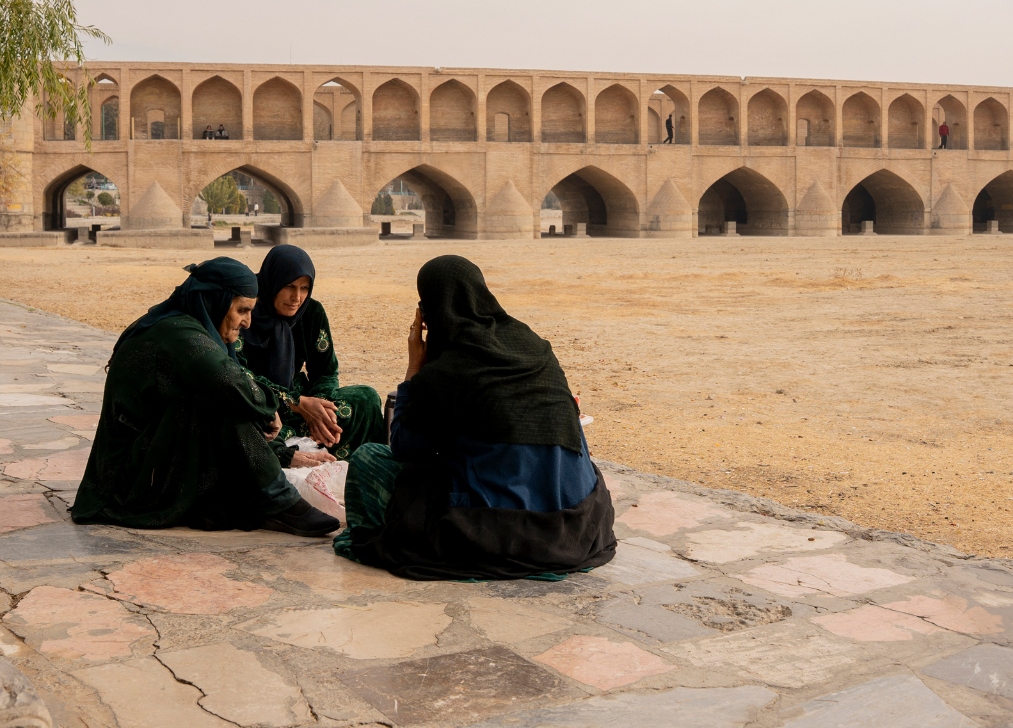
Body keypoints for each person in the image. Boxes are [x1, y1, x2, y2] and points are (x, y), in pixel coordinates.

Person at [334, 255, 616, 580]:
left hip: (502, 532)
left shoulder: (445, 373)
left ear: (429, 314)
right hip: (581, 526)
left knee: (371, 458)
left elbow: (403, 447)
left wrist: (414, 368)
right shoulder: (535, 348)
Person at [71, 257, 339, 536]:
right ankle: (278, 502)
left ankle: (266, 499)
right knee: (222, 403)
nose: (247, 322)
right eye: (242, 310)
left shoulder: (189, 326)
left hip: (154, 458)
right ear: (215, 300)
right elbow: (232, 383)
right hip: (127, 485)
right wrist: (271, 408)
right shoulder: (178, 335)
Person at [238, 245, 386, 468]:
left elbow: (325, 371)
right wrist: (295, 403)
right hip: (259, 404)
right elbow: (240, 375)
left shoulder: (311, 312)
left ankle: (361, 471)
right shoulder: (245, 310)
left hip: (304, 400)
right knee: (256, 429)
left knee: (366, 399)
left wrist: (320, 411)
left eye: (304, 288)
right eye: (289, 286)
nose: (297, 297)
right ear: (272, 281)